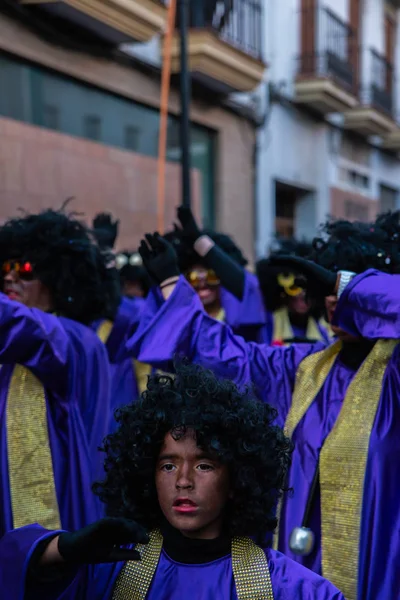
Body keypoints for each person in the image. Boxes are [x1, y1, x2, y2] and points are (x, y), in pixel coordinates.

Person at [126, 217, 400, 600]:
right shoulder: (302, 367)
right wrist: (172, 280)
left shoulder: (396, 374)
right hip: (297, 576)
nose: (335, 301)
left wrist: (345, 283)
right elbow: (220, 354)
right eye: (327, 290)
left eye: (344, 288)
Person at [0, 363, 344, 599]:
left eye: (204, 465)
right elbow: (11, 570)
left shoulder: (291, 589)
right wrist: (63, 550)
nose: (183, 480)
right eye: (167, 465)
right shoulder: (108, 571)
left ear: (237, 478)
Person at [0, 208, 118, 536]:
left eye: (24, 270)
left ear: (58, 276)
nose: (9, 277)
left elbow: (12, 323)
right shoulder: (17, 351)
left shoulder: (74, 340)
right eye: (5, 268)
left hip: (61, 521)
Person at [164, 206, 269, 343]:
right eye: (193, 278)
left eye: (212, 276)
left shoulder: (241, 320)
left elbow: (248, 287)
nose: (202, 283)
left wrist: (202, 244)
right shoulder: (179, 322)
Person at [91, 214, 152, 425]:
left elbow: (121, 310)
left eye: (135, 284)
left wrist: (106, 253)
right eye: (125, 283)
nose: (129, 289)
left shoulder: (140, 310)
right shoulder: (96, 322)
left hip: (130, 412)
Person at [256, 239, 331, 345]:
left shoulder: (326, 327)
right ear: (282, 292)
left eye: (308, 287)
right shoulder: (269, 323)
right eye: (295, 287)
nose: (302, 293)